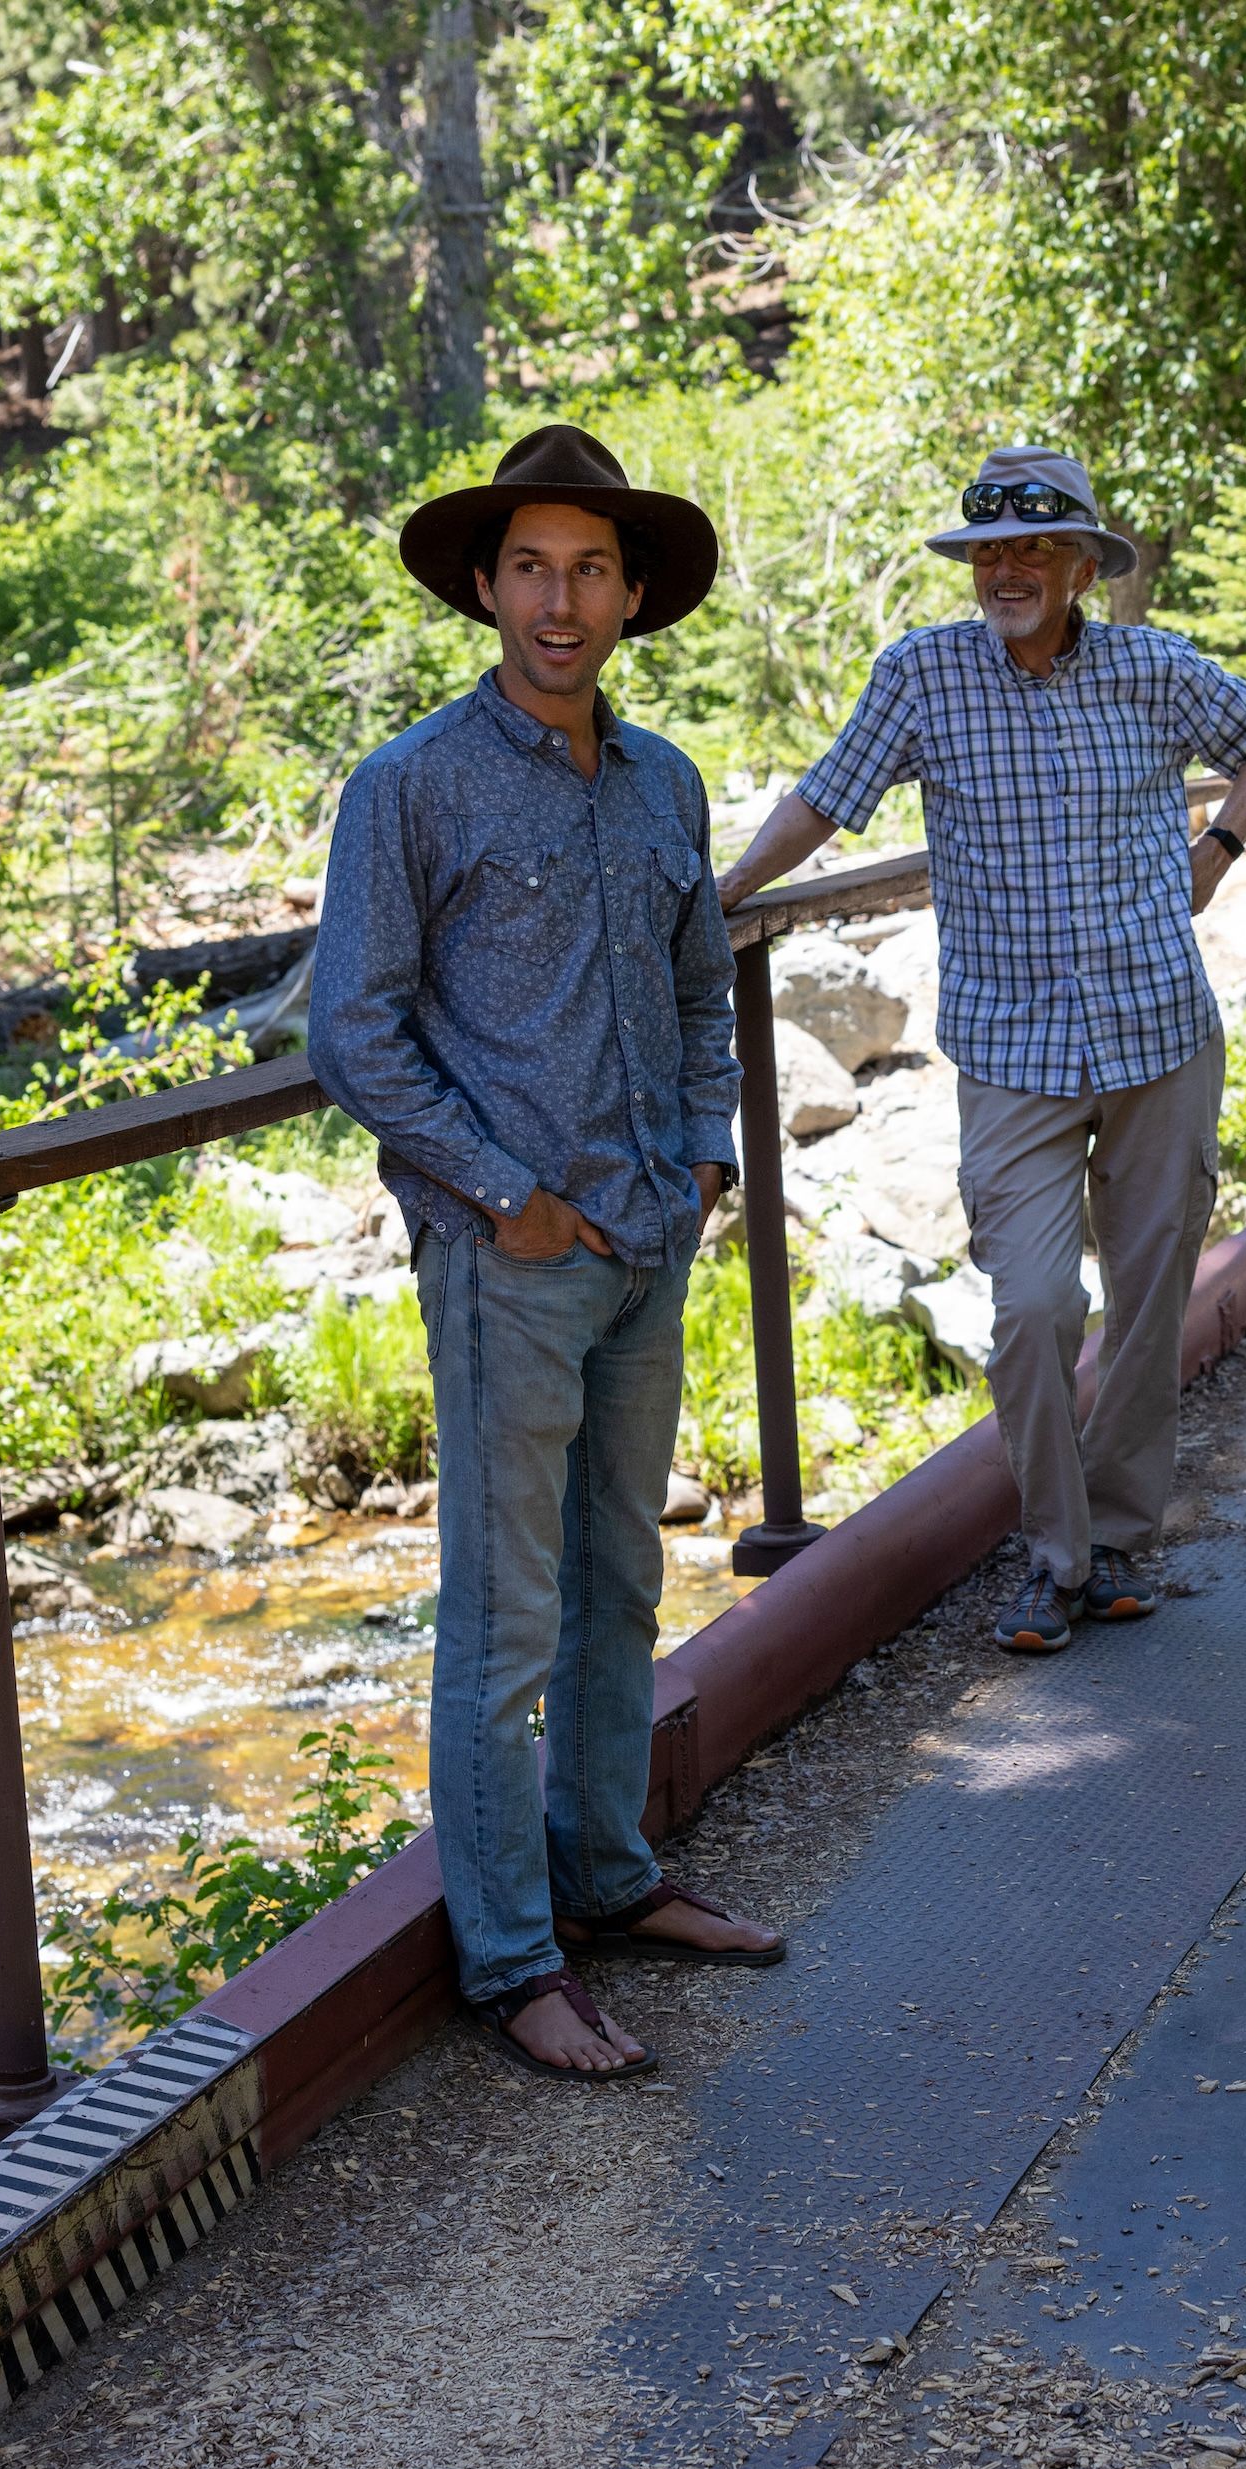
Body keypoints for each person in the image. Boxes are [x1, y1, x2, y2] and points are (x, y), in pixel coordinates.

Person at [305, 424, 784, 2087]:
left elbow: (696, 985)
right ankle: (512, 1957)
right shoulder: (412, 786)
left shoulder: (665, 783)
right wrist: (502, 1189)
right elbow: (354, 1031)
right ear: (486, 586)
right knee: (502, 1621)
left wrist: (712, 1148)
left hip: (653, 1227)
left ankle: (608, 1875)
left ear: (633, 592)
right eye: (530, 568)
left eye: (590, 569)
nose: (559, 601)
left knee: (622, 1578)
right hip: (513, 1257)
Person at [716, 447, 1246, 1655]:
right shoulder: (922, 675)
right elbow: (827, 796)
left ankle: (1117, 1543)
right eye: (987, 553)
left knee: (1146, 1307)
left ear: (1082, 564)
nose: (1005, 572)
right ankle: (1052, 1552)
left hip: (1158, 1032)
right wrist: (722, 891)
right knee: (1033, 1306)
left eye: (1032, 550)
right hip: (1010, 1046)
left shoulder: (1152, 667)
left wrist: (1221, 850)